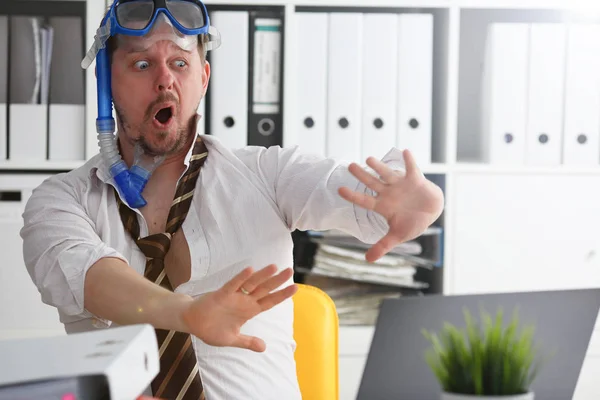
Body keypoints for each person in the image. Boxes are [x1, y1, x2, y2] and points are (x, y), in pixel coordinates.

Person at [19, 0, 445, 399]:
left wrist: (417, 202)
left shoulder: (269, 174)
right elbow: (88, 276)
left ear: (202, 78)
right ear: (107, 79)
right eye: (142, 63)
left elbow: (354, 196)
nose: (165, 79)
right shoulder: (60, 201)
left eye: (180, 63)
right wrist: (185, 314)